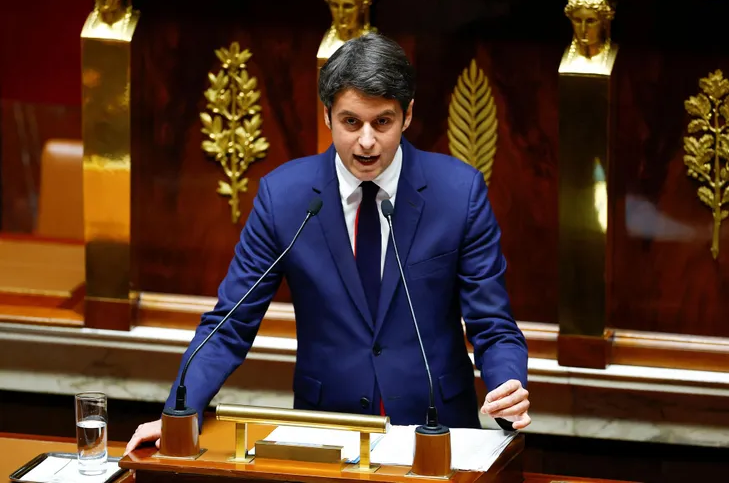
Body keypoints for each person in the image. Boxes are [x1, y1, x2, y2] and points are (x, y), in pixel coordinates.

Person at [125, 32, 530, 456]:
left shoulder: (458, 193)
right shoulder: (284, 198)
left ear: (407, 115)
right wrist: (179, 413)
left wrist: (508, 388)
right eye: (351, 122)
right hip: (327, 435)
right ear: (327, 115)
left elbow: (493, 325)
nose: (367, 141)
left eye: (382, 122)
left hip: (438, 432)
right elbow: (229, 324)